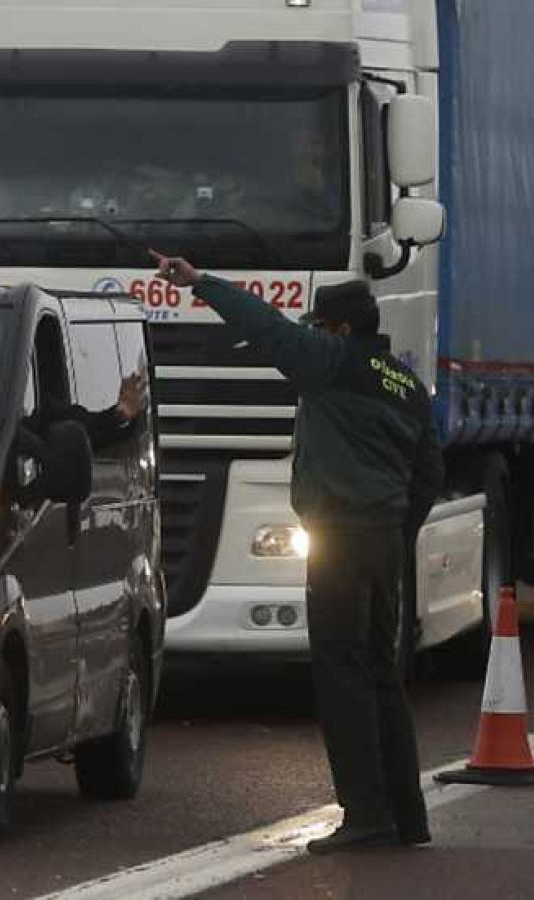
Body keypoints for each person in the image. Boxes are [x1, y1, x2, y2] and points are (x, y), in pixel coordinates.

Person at [152, 252, 442, 852]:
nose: (309, 333)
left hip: (340, 535)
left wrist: (202, 281)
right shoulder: (406, 384)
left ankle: (366, 815)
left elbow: (264, 326)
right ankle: (407, 814)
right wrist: (395, 526)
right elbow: (429, 474)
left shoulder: (330, 364)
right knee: (383, 673)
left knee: (341, 673)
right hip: (385, 537)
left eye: (318, 326)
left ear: (336, 329)